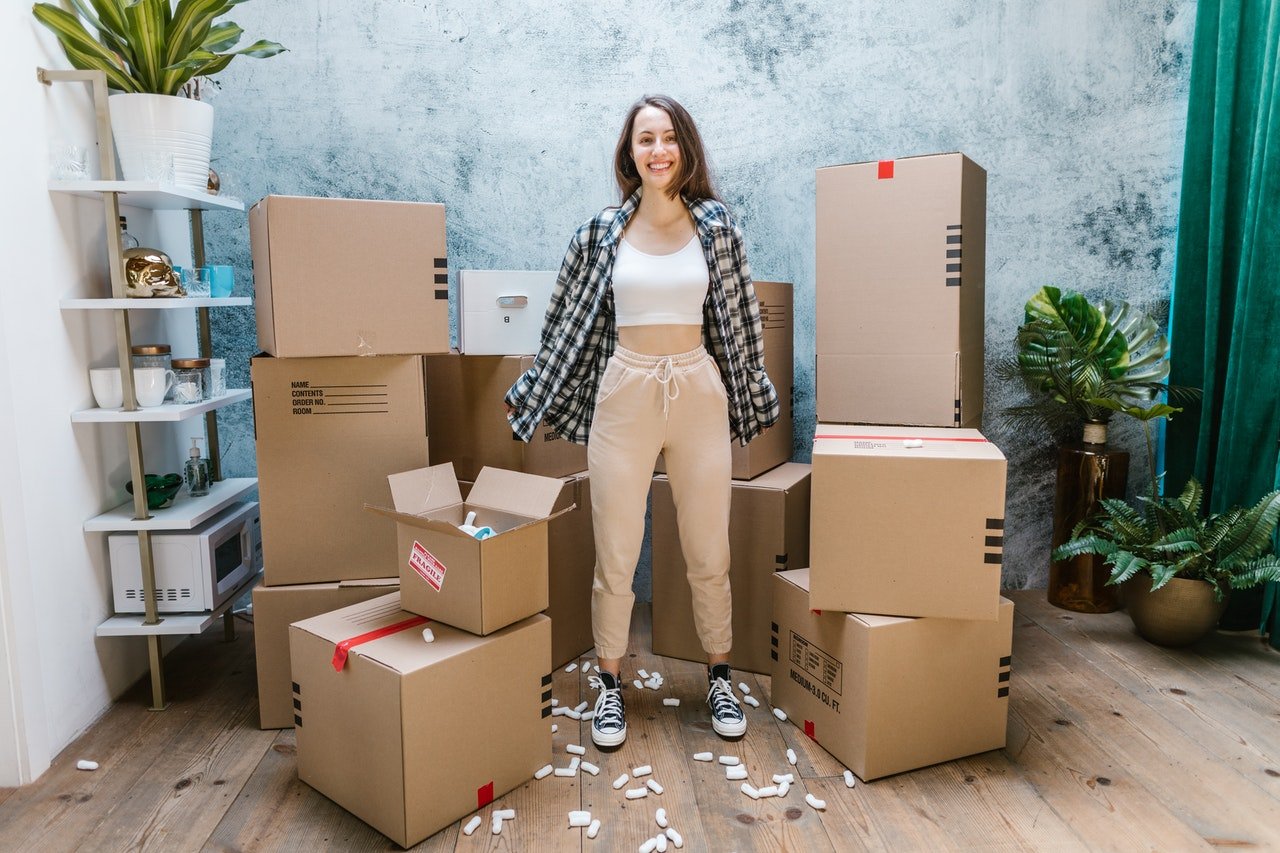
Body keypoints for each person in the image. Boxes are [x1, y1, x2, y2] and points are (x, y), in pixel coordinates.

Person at [505, 94, 779, 747]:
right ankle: (608, 685)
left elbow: (741, 328)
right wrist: (534, 386)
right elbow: (564, 326)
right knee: (617, 551)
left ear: (685, 146)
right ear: (630, 154)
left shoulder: (719, 230)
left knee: (709, 548)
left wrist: (754, 391)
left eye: (667, 138)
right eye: (643, 140)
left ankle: (718, 674)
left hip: (698, 389)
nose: (657, 151)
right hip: (624, 390)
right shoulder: (598, 233)